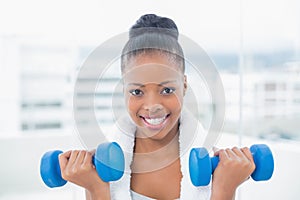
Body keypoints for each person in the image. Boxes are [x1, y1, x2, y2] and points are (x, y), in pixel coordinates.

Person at [58, 14, 255, 200]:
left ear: (184, 86)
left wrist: (224, 188)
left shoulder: (215, 166)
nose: (152, 107)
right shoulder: (101, 168)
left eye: (167, 90)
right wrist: (96, 188)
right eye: (137, 92)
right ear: (124, 90)